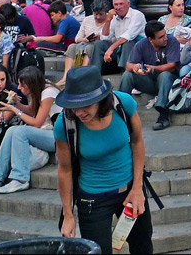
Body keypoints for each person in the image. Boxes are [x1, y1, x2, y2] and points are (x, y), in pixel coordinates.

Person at [54, 66, 154, 253]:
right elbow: (64, 169)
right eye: (74, 106)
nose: (79, 112)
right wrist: (68, 214)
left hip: (130, 189)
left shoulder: (123, 104)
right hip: (93, 199)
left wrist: (137, 187)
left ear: (100, 99)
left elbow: (137, 142)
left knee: (143, 246)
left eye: (86, 105)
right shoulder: (65, 124)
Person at [0, 66, 61, 194]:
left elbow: (36, 122)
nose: (18, 88)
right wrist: (17, 103)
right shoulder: (39, 88)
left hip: (58, 137)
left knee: (19, 131)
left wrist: (15, 110)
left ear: (31, 84)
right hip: (46, 132)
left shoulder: (48, 92)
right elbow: (31, 110)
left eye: (22, 85)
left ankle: (20, 179)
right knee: (12, 130)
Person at [120, 21, 181, 131]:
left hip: (171, 83)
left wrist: (153, 68)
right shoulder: (141, 44)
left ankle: (163, 115)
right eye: (161, 37)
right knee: (127, 75)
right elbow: (128, 65)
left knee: (165, 75)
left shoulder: (172, 41)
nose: (165, 38)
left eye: (165, 35)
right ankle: (121, 112)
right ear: (150, 39)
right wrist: (135, 67)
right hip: (151, 82)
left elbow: (172, 66)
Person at [90, 0, 146, 74]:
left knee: (127, 43)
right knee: (99, 43)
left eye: (121, 4)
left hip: (135, 50)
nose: (118, 7)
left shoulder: (137, 15)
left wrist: (110, 49)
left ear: (128, 4)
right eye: (116, 5)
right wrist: (108, 19)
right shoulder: (114, 18)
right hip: (118, 50)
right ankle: (95, 74)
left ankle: (126, 73)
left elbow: (127, 36)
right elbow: (104, 37)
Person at [61, 0, 111, 87]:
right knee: (72, 47)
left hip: (99, 48)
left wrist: (99, 37)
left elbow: (110, 38)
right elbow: (77, 38)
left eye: (101, 14)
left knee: (90, 47)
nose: (98, 17)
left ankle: (82, 76)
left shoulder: (110, 20)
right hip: (85, 43)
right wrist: (84, 39)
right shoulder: (87, 19)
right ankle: (65, 77)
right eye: (96, 14)